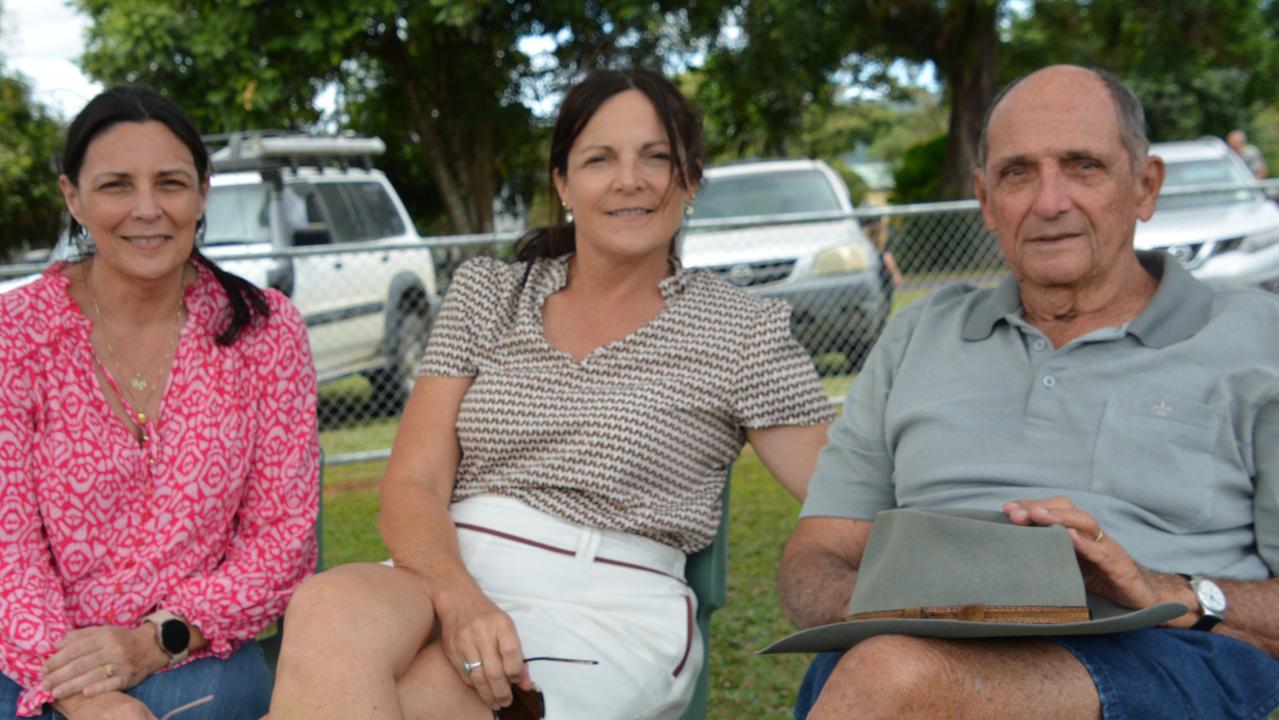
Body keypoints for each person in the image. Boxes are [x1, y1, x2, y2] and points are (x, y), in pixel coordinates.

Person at [267, 67, 834, 720]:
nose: (630, 180)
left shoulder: (738, 330)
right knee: (326, 605)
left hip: (605, 602)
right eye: (600, 159)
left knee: (413, 700)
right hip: (444, 570)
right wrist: (463, 600)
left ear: (690, 180)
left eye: (656, 158)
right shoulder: (489, 295)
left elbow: (838, 487)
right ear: (563, 182)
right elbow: (412, 483)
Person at [779, 65, 1279, 719]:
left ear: (1144, 186)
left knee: (893, 674)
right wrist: (886, 604)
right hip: (911, 642)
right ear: (985, 199)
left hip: (1161, 648)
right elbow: (815, 554)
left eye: (1082, 167)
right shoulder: (918, 337)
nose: (1048, 201)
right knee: (889, 664)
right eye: (1017, 173)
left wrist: (1172, 590)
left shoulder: (1254, 340)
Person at [0, 86, 320, 719]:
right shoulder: (16, 334)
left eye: (170, 184)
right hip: (33, 654)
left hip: (195, 650)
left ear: (202, 192)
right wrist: (84, 694)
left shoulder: (264, 329)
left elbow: (283, 539)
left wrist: (155, 642)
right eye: (117, 185)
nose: (147, 210)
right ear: (74, 197)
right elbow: (7, 549)